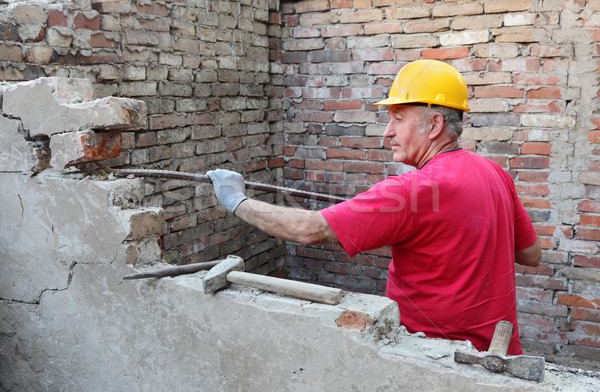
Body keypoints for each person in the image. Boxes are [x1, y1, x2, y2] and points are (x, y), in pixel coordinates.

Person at [206, 59, 541, 355]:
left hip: (435, 359)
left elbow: (309, 230)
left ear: (435, 125)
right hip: (500, 353)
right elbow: (530, 254)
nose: (387, 132)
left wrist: (238, 201)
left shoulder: (413, 190)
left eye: (397, 118)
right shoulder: (494, 173)